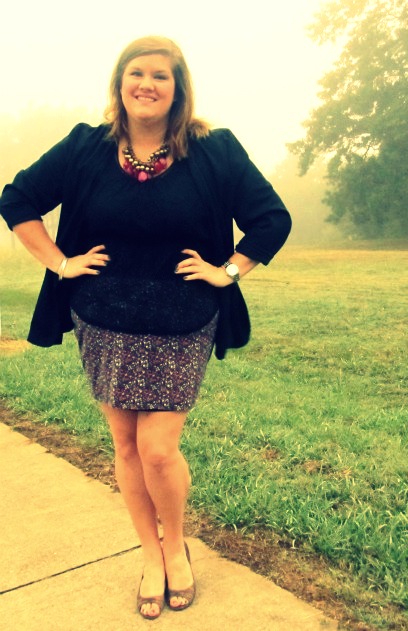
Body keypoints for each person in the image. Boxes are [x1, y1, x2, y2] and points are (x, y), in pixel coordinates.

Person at [0, 35, 291, 619]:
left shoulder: (213, 150)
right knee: (126, 446)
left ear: (178, 88)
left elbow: (271, 218)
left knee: (158, 449)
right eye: (137, 73)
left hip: (184, 317)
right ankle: (149, 555)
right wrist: (60, 263)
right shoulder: (87, 146)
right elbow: (17, 199)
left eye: (161, 75)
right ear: (120, 82)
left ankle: (175, 546)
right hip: (103, 316)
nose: (147, 85)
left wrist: (228, 271)